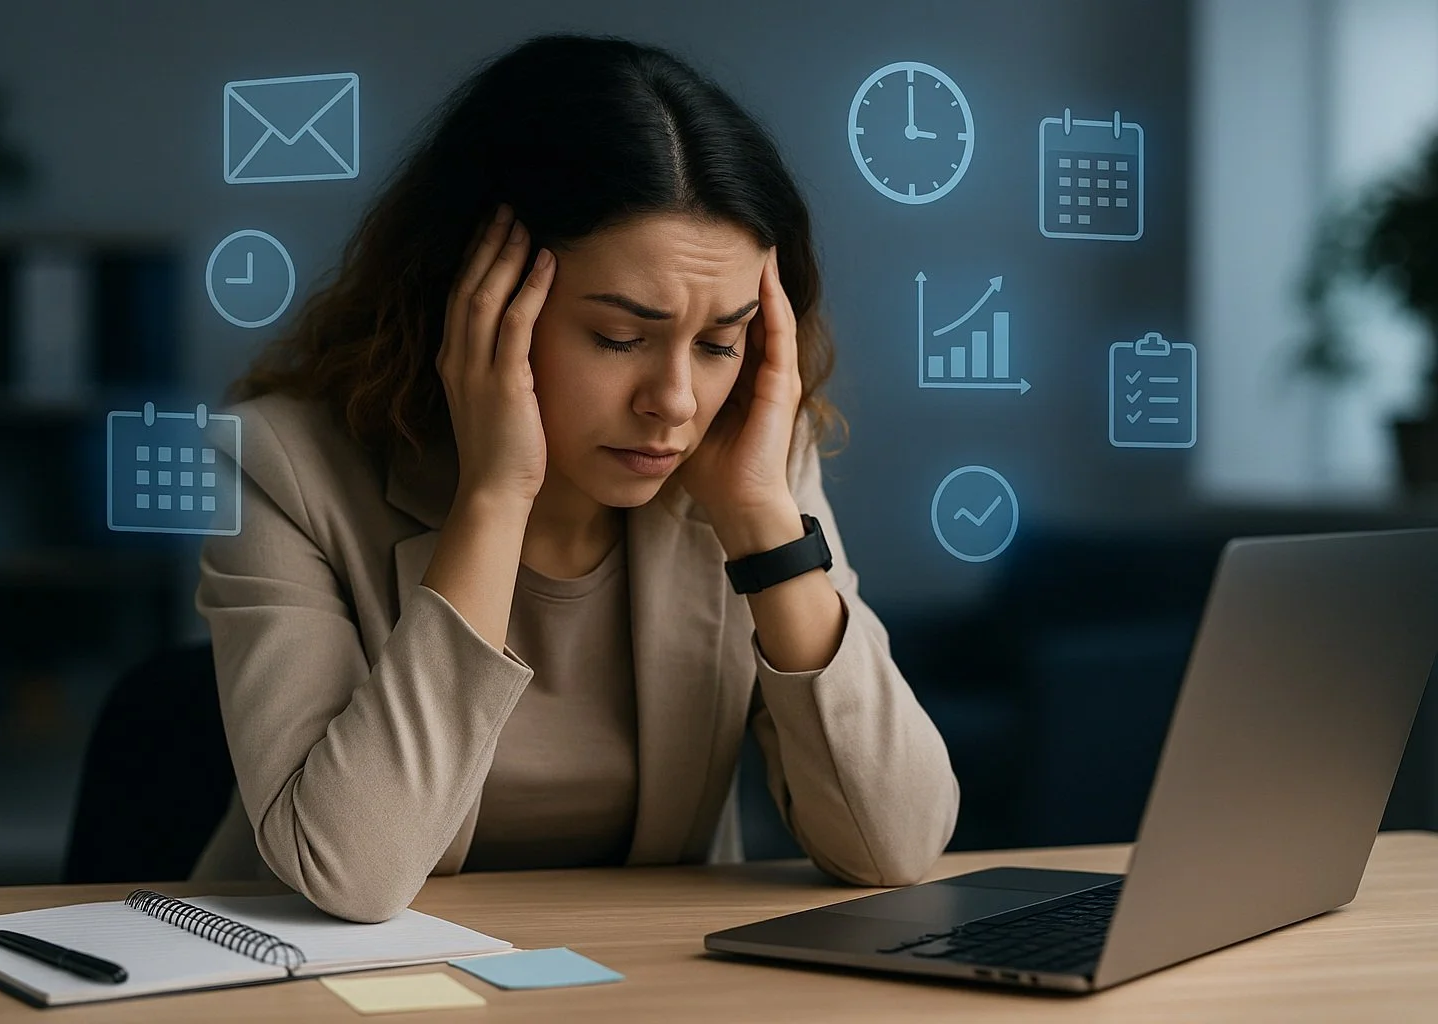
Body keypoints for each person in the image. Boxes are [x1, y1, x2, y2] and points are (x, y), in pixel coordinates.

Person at [188, 31, 958, 923]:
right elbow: (350, 875)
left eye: (719, 343)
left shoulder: (746, 466)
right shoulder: (279, 466)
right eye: (619, 338)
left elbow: (895, 845)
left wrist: (760, 525)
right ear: (478, 302)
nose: (675, 401)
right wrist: (492, 499)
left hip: (635, 987)